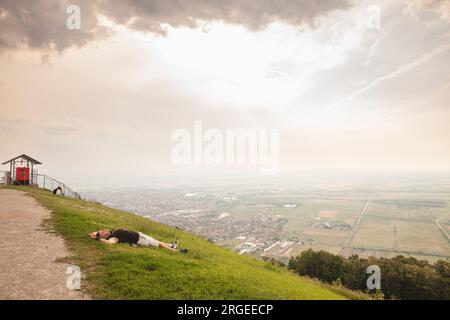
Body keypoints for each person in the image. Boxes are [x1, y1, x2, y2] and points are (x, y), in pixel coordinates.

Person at [88, 227, 189, 254]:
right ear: (105, 237)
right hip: (140, 240)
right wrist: (98, 238)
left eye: (104, 230)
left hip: (140, 235)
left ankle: (171, 245)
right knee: (158, 245)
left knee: (156, 241)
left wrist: (94, 234)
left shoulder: (111, 232)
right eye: (103, 233)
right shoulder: (113, 238)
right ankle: (177, 252)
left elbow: (96, 232)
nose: (105, 231)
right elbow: (109, 243)